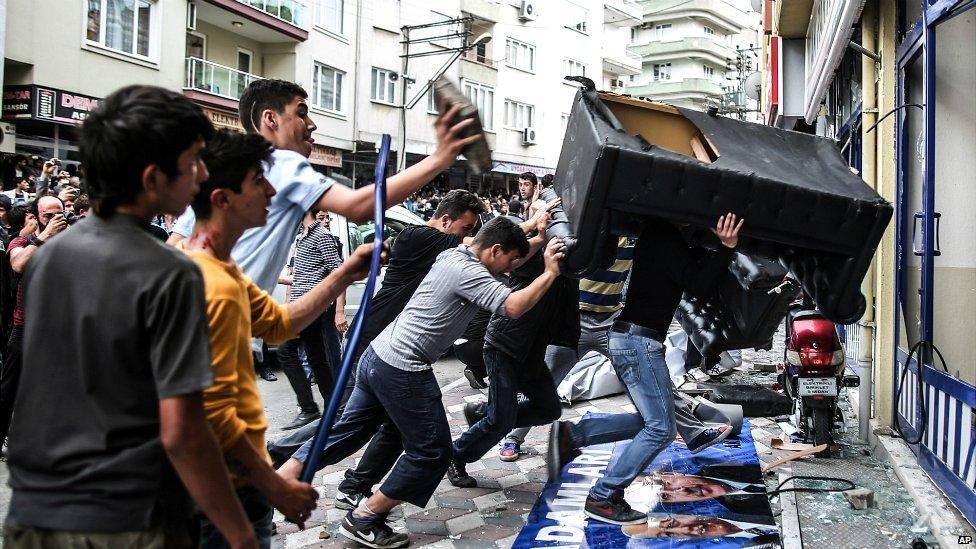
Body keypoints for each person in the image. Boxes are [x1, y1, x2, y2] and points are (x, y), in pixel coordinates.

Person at [3, 86, 257, 548]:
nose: (201, 175)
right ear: (152, 178)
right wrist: (240, 534)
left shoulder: (48, 257)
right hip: (126, 521)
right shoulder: (172, 273)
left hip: (32, 514)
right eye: (193, 162)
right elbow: (185, 431)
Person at [278, 218, 566, 548]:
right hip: (404, 368)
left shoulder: (456, 254)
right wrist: (549, 273)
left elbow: (498, 246)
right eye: (512, 260)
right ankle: (364, 519)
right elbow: (513, 306)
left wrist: (537, 238)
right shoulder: (470, 273)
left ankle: (278, 480)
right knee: (432, 453)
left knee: (349, 431)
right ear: (495, 250)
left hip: (379, 355)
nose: (513, 267)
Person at [180, 129, 379, 546]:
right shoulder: (208, 284)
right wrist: (272, 490)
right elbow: (202, 421)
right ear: (222, 199)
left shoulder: (225, 272)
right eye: (258, 181)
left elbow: (279, 323)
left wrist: (344, 274)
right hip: (220, 493)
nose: (272, 190)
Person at [166, 78, 480, 297]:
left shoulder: (220, 168)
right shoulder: (282, 162)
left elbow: (174, 245)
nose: (312, 124)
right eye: (301, 112)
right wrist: (440, 158)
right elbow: (360, 207)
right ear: (270, 119)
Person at [547, 214, 744, 525]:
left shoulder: (661, 234)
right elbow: (699, 283)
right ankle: (603, 495)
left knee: (651, 421)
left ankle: (575, 434)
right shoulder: (665, 235)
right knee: (661, 429)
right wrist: (726, 247)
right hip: (638, 343)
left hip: (633, 339)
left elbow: (689, 272)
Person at [0, 196, 68, 450]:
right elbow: (18, 264)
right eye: (47, 215)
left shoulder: (71, 241)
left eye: (58, 213)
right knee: (10, 387)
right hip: (25, 325)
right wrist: (45, 236)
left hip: (58, 327)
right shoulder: (23, 240)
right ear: (37, 215)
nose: (54, 219)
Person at [276, 208, 346, 430]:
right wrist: (279, 279)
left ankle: (308, 409)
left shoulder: (322, 236)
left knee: (285, 350)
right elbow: (303, 275)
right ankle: (334, 409)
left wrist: (338, 310)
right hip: (301, 303)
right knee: (316, 357)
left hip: (311, 306)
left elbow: (340, 273)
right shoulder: (303, 237)